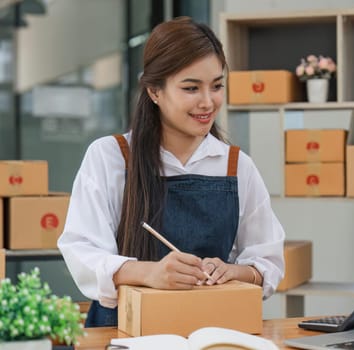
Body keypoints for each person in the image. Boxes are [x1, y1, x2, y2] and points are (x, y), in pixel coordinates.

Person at [58, 16, 285, 327]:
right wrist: (149, 272)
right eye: (191, 88)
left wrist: (235, 271)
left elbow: (268, 260)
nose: (208, 102)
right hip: (123, 329)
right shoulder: (110, 156)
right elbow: (82, 250)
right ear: (154, 90)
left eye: (217, 86)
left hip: (212, 330)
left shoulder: (237, 166)